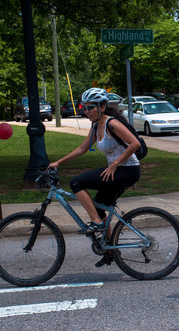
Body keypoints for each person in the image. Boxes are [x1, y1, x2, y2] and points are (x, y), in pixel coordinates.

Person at [48, 87, 141, 267]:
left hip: (127, 170)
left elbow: (135, 143)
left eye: (91, 107)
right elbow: (82, 149)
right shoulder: (95, 125)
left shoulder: (112, 124)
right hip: (116, 171)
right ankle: (111, 250)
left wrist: (115, 164)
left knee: (76, 182)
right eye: (85, 107)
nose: (87, 111)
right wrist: (59, 162)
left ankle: (96, 223)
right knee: (99, 206)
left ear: (102, 107)